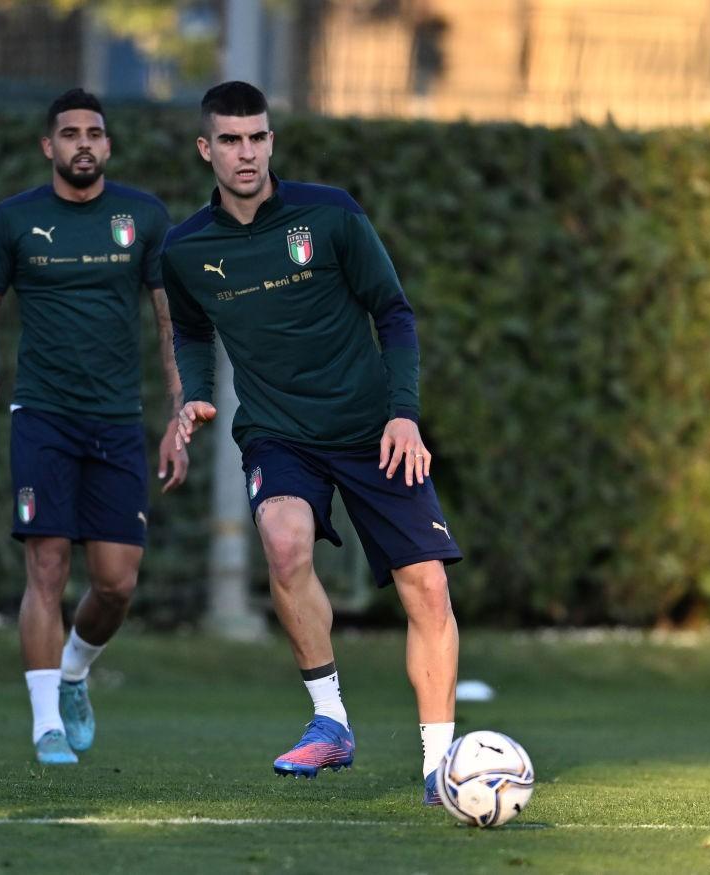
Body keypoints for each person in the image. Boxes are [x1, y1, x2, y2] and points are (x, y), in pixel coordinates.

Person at [161, 81, 462, 805]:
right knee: (285, 542)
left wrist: (403, 413)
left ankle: (442, 763)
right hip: (278, 430)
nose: (246, 152)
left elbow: (392, 311)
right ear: (206, 149)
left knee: (426, 585)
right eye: (229, 140)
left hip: (371, 428)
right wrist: (193, 392)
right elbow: (192, 328)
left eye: (257, 137)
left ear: (272, 141)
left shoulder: (329, 214)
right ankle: (330, 720)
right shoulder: (186, 248)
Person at [0, 88, 188, 765]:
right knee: (45, 566)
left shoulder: (143, 217)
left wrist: (177, 414)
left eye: (94, 133)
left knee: (116, 582)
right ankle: (46, 722)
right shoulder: (16, 221)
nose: (83, 143)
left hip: (117, 421)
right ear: (49, 146)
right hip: (41, 416)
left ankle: (75, 673)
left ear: (107, 146)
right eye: (69, 133)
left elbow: (170, 325)